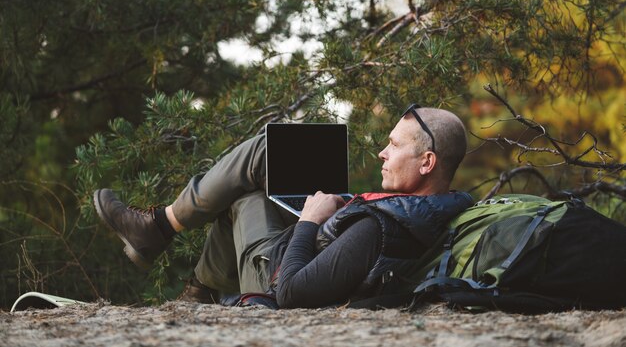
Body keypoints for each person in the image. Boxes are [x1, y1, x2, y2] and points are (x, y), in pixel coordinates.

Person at [94, 104, 473, 308]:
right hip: (306, 249)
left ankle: (161, 231)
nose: (381, 152)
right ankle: (193, 286)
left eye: (394, 145)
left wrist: (309, 220)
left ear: (426, 163)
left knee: (253, 179)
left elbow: (290, 293)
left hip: (274, 279)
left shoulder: (381, 228)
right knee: (273, 157)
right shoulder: (436, 208)